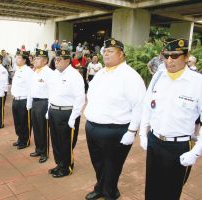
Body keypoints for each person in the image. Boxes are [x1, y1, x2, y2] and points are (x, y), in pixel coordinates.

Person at [139, 38, 202, 200]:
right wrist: (142, 134)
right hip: (154, 140)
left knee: (170, 192)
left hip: (179, 146)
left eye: (174, 56)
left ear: (187, 56)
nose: (169, 60)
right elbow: (147, 106)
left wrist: (195, 152)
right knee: (151, 189)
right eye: (165, 56)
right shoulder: (159, 77)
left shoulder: (197, 83)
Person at [84, 38, 146, 200]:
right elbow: (90, 96)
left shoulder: (130, 76)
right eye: (104, 51)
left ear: (122, 55)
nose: (105, 54)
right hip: (93, 127)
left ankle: (110, 193)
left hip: (115, 130)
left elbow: (139, 105)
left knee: (112, 166)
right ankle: (100, 188)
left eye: (110, 51)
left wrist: (132, 131)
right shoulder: (101, 73)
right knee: (98, 163)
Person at [47, 50, 85, 178]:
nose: (56, 62)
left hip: (67, 113)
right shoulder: (54, 74)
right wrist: (49, 110)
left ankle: (67, 167)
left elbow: (80, 98)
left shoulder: (75, 75)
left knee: (66, 142)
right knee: (56, 141)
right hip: (54, 111)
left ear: (68, 60)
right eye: (55, 59)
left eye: (59, 60)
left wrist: (74, 117)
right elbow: (51, 94)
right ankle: (59, 164)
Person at [29, 49, 53, 163]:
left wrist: (49, 108)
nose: (35, 60)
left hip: (44, 103)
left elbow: (52, 92)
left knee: (43, 129)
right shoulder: (36, 72)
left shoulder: (49, 73)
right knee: (36, 128)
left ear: (45, 61)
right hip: (35, 102)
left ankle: (44, 152)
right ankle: (38, 149)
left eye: (38, 58)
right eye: (35, 58)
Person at [11, 50, 34, 149]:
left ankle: (25, 140)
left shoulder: (28, 71)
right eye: (16, 57)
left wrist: (29, 103)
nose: (17, 59)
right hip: (16, 99)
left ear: (25, 60)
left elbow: (30, 88)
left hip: (24, 100)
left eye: (19, 57)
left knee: (24, 122)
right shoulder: (18, 70)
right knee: (17, 121)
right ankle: (20, 138)